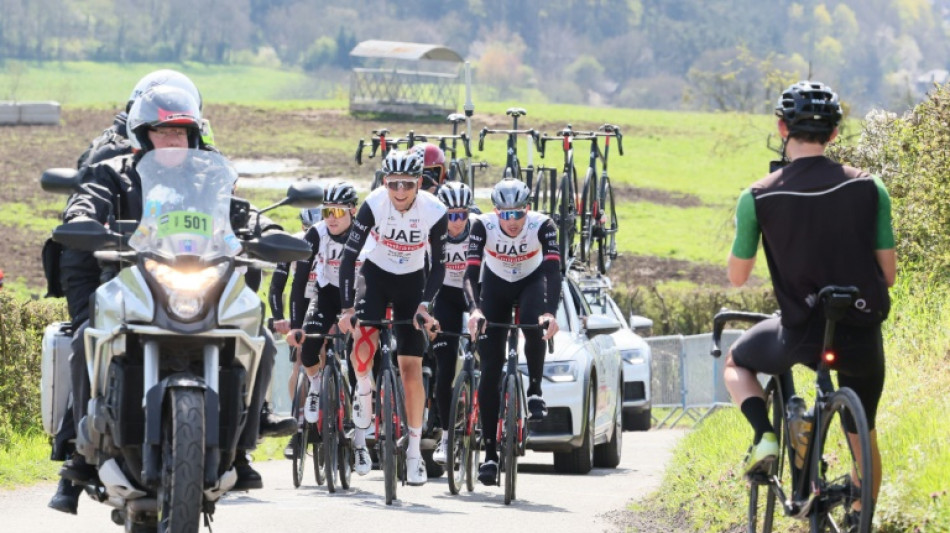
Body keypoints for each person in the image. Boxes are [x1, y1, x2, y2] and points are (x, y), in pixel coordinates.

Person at [51, 86, 288, 515]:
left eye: (181, 132)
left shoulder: (209, 177)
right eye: (163, 131)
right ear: (143, 135)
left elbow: (241, 210)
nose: (173, 141)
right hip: (131, 279)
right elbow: (88, 200)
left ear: (195, 135)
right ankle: (79, 456)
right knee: (87, 333)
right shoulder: (115, 173)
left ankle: (245, 439)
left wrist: (267, 229)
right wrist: (82, 217)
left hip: (199, 279)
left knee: (263, 336)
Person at [723, 81, 895, 520]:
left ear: (781, 127)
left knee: (737, 363)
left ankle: (766, 436)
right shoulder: (869, 187)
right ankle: (861, 507)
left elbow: (737, 277)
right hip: (859, 329)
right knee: (863, 429)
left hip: (800, 333)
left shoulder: (758, 196)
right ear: (835, 133)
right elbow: (888, 276)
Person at [337, 149, 448, 485]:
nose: (400, 191)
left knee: (411, 367)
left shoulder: (435, 210)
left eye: (408, 184)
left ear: (419, 183)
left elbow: (440, 264)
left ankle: (414, 453)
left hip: (413, 282)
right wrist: (346, 309)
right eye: (393, 184)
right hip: (377, 275)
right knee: (364, 340)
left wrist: (425, 306)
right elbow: (349, 256)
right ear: (385, 182)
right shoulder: (374, 204)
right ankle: (365, 390)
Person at [464, 178, 561, 486]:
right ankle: (490, 454)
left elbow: (552, 270)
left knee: (534, 324)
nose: (513, 221)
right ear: (496, 213)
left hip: (531, 281)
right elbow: (470, 272)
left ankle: (534, 391)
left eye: (518, 214)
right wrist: (474, 310)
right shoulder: (482, 225)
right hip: (495, 284)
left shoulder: (543, 225)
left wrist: (551, 313)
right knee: (490, 370)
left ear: (527, 210)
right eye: (506, 215)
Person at [284, 183, 360, 457]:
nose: (332, 217)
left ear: (352, 211)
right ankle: (316, 386)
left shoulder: (364, 231)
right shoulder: (316, 233)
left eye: (338, 211)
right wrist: (295, 325)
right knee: (307, 349)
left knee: (358, 354)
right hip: (328, 294)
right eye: (328, 210)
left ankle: (359, 408)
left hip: (359, 295)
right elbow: (299, 280)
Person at [429, 182, 475, 465]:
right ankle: (446, 437)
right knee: (444, 369)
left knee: (487, 354)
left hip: (474, 294)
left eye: (462, 215)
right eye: (450, 215)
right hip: (445, 297)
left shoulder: (480, 230)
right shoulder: (432, 232)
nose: (456, 222)